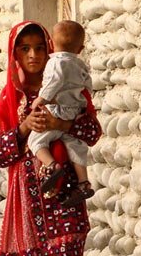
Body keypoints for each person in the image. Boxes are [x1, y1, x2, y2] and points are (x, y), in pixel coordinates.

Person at [0, 20, 113, 256]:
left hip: (65, 190)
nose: (33, 55)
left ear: (51, 48)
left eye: (40, 47)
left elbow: (92, 133)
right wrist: (25, 127)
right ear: (15, 54)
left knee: (68, 255)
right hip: (27, 196)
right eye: (25, 49)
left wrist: (61, 123)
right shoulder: (9, 99)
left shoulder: (68, 87)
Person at [27, 20, 95, 207]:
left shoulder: (55, 62)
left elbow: (53, 83)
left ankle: (51, 165)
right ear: (80, 48)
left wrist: (42, 99)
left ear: (50, 44)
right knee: (76, 146)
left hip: (57, 110)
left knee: (36, 140)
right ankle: (83, 183)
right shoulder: (80, 64)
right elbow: (88, 84)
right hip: (75, 111)